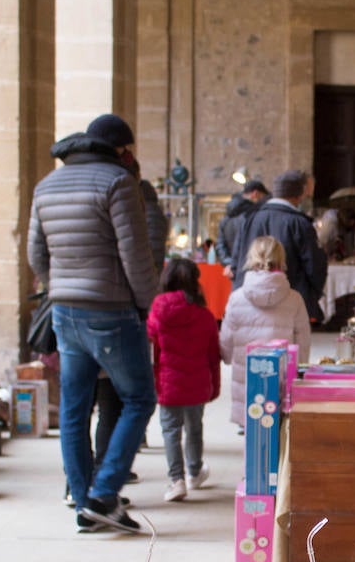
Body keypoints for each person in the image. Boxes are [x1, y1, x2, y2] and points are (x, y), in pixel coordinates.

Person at [28, 113, 157, 534]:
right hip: (112, 309)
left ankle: (84, 502)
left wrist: (59, 286)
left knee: (74, 406)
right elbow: (135, 255)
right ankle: (103, 493)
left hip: (65, 311)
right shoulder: (118, 182)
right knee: (138, 398)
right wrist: (144, 304)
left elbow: (36, 255)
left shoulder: (46, 186)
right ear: (123, 151)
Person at [147, 258, 220, 502]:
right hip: (197, 383)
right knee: (194, 428)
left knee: (170, 431)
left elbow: (151, 343)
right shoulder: (205, 315)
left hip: (168, 383)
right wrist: (215, 386)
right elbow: (213, 355)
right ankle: (195, 471)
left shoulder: (157, 311)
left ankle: (176, 479)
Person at [220, 236, 312, 430]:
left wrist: (228, 358)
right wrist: (299, 370)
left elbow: (226, 342)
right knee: (277, 434)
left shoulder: (236, 298)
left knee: (252, 436)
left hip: (247, 383)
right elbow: (302, 342)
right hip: (280, 381)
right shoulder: (294, 299)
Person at [229, 169, 328, 324]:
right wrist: (312, 295)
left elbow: (236, 261)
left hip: (250, 301)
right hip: (289, 303)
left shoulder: (251, 218)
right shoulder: (299, 223)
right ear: (300, 194)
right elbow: (315, 265)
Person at [217, 180, 269, 272]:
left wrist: (230, 264)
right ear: (255, 194)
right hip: (254, 269)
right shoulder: (254, 216)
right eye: (263, 197)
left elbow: (220, 245)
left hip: (234, 271)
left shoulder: (226, 219)